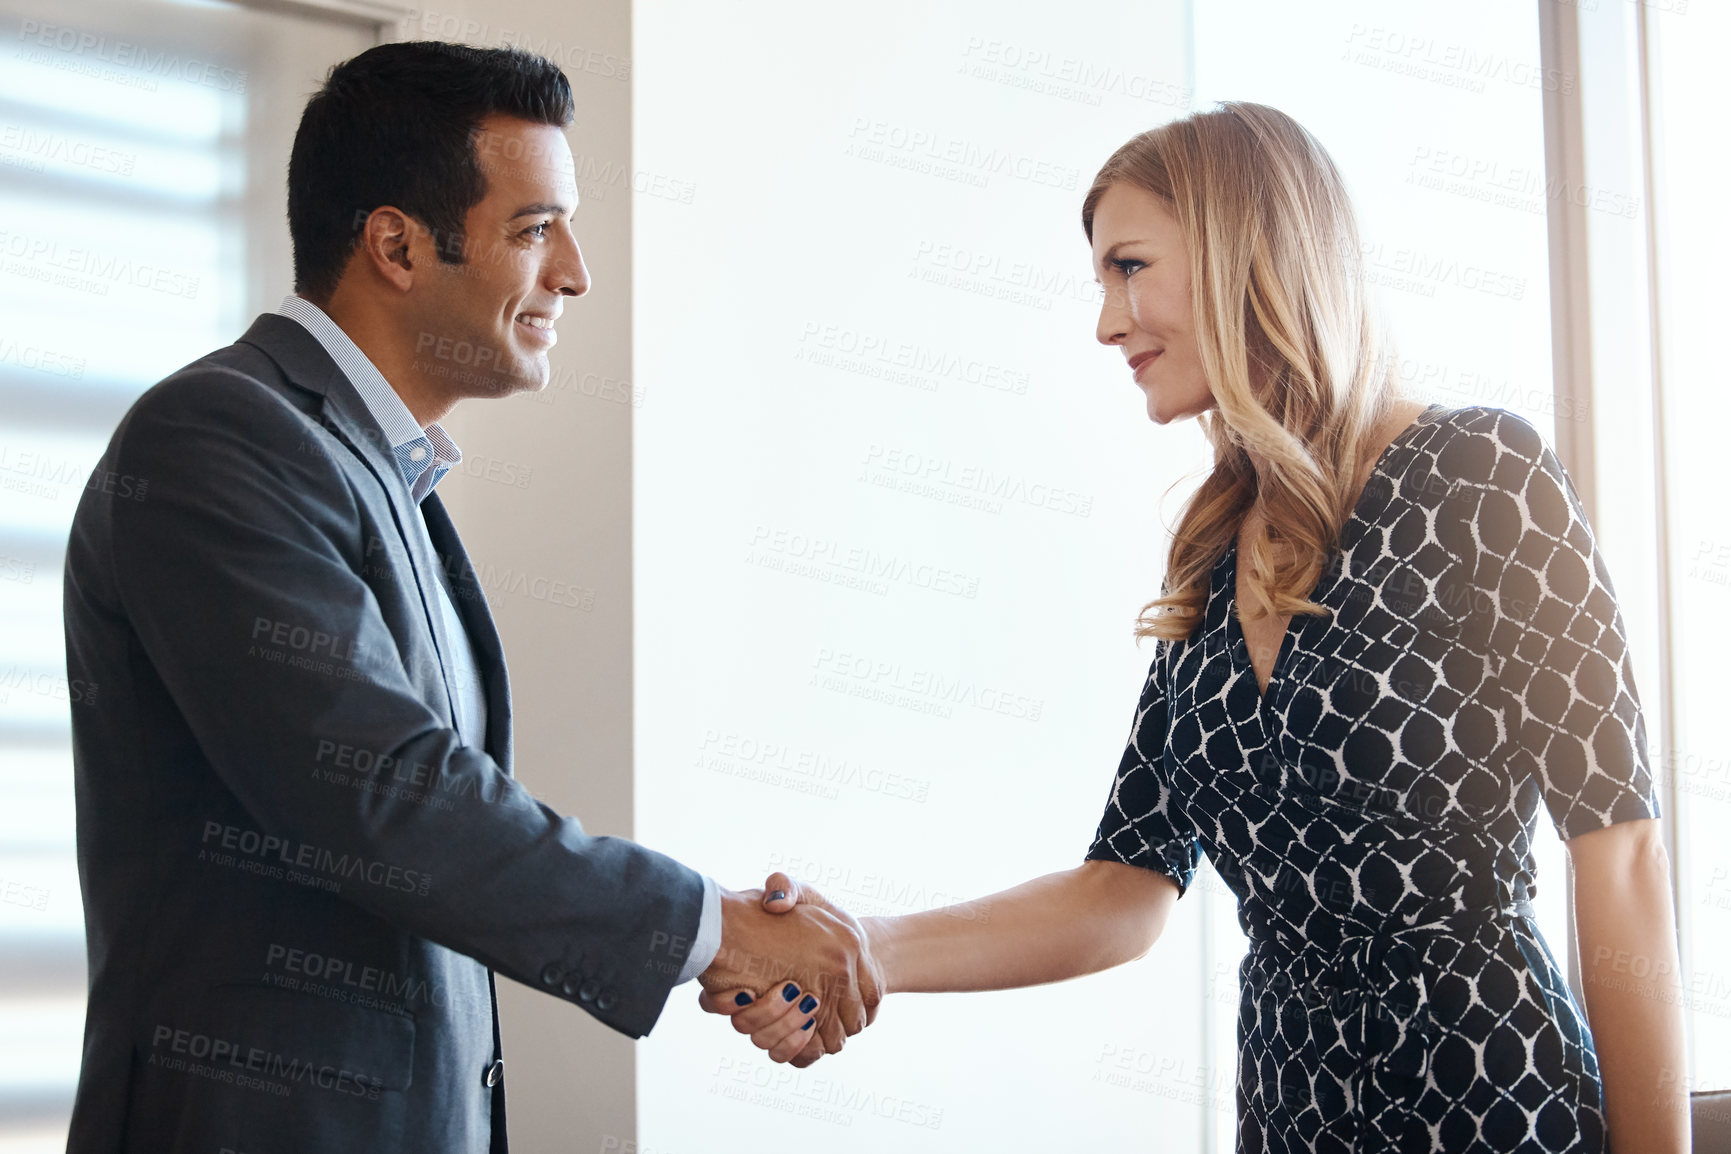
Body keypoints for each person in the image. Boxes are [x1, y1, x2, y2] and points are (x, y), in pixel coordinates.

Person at [706, 103, 1688, 1153]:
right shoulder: (1212, 555)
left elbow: (1618, 851)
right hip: (1289, 1118)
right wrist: (862, 948)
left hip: (1497, 1110)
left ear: (1241, 250)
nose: (1107, 321)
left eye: (1129, 266)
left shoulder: (1484, 473)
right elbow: (1122, 887)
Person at [61, 42, 874, 1154]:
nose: (577, 273)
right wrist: (708, 929)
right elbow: (386, 792)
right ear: (396, 243)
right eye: (536, 229)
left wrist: (718, 936)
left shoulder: (376, 471)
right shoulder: (219, 437)